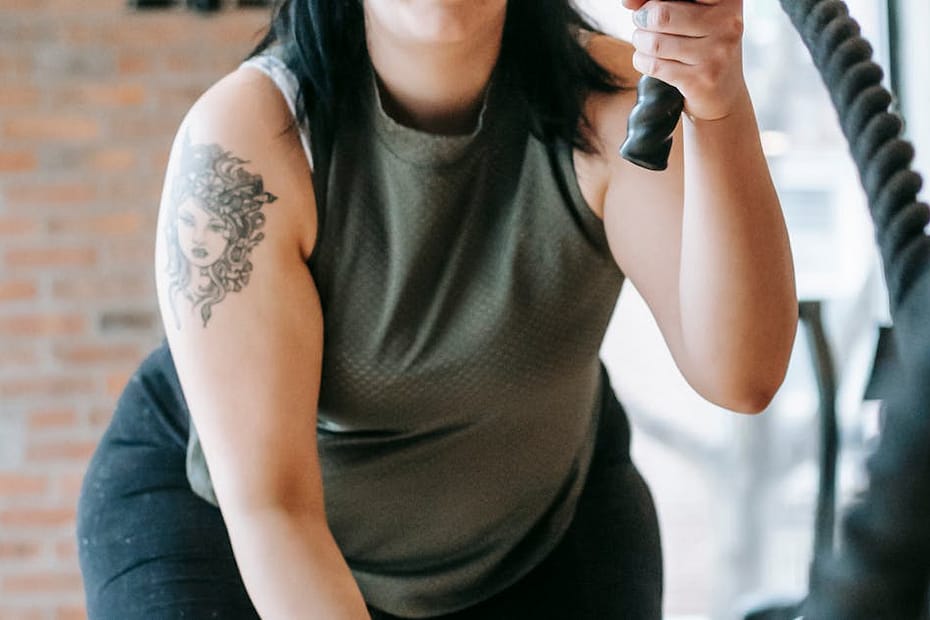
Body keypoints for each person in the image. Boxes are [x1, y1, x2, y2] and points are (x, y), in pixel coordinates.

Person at [76, 0, 798, 617]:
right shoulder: (245, 139)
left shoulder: (613, 109)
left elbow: (742, 374)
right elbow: (277, 508)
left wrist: (716, 101)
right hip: (238, 524)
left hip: (535, 520)